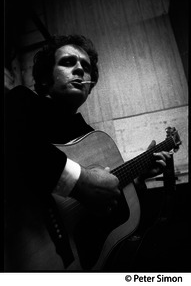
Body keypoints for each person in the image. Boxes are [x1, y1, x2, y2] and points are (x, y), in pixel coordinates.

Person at [4, 35, 171, 271]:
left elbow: (104, 222)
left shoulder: (94, 139)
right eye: (68, 62)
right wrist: (81, 182)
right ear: (45, 77)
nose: (80, 70)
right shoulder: (20, 101)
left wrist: (137, 177)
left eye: (86, 67)